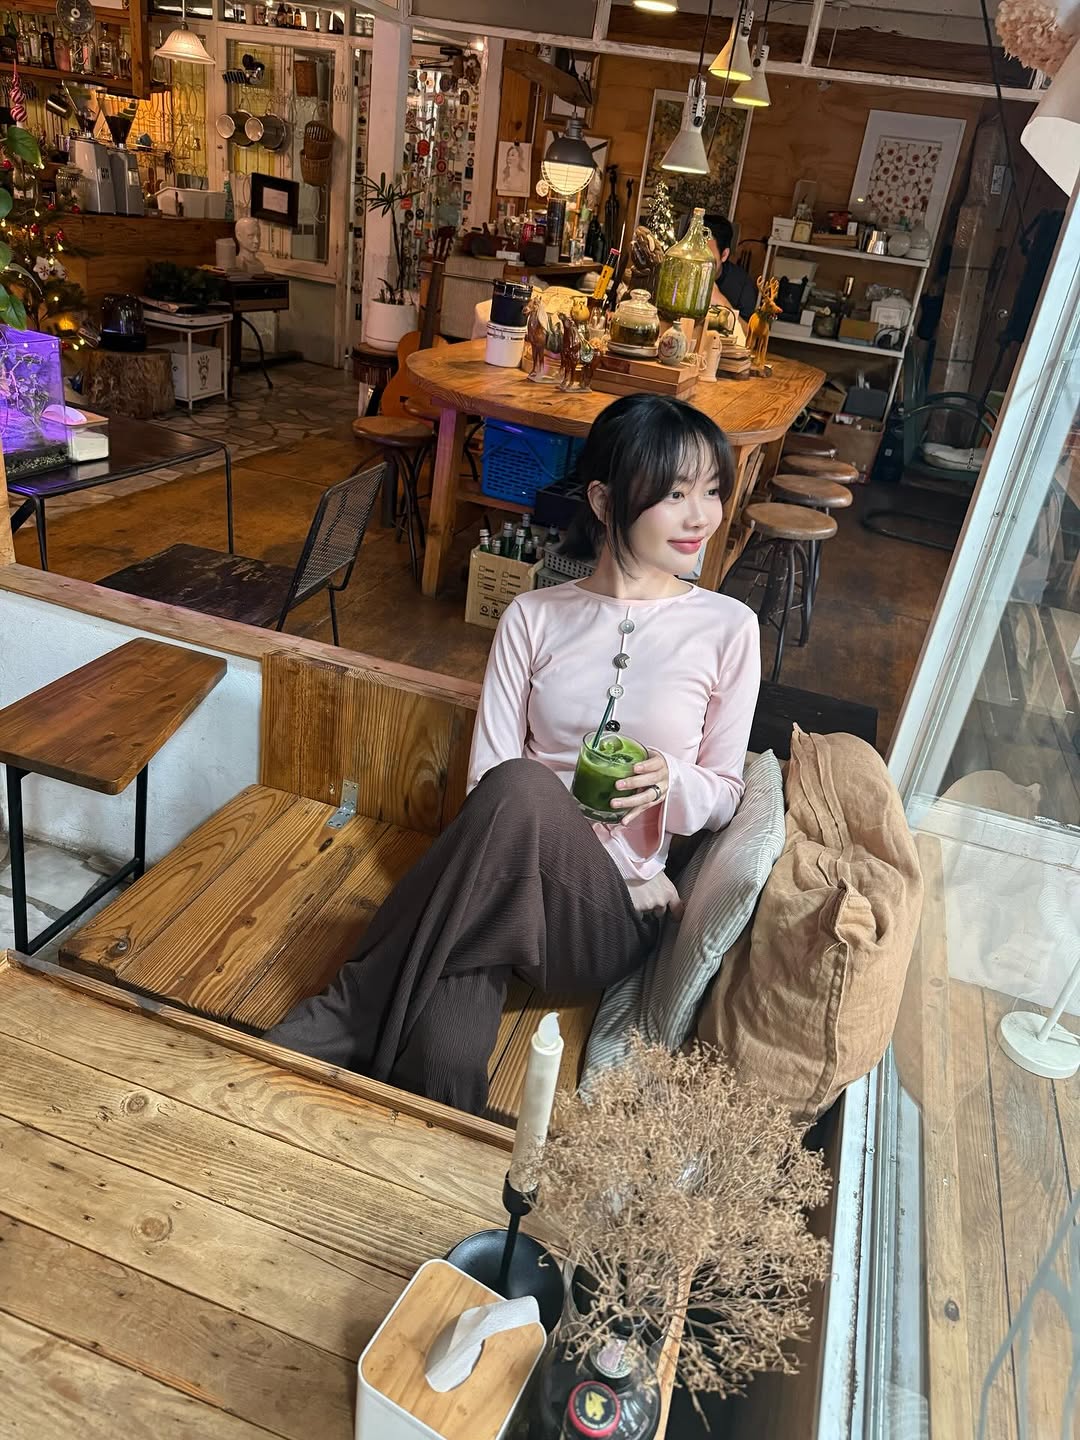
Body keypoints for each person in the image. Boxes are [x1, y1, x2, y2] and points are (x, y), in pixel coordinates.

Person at [263, 394, 761, 1114]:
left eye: (712, 491)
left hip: (607, 917)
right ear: (604, 500)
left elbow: (724, 795)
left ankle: (342, 1011)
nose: (701, 517)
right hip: (502, 889)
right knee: (443, 1062)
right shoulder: (532, 616)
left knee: (525, 785)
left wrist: (669, 786)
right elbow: (485, 784)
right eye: (675, 493)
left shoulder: (728, 628)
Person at [703, 213, 758, 322]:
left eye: (706, 255)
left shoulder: (743, 286)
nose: (698, 261)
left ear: (724, 255)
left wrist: (722, 303)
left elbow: (747, 331)